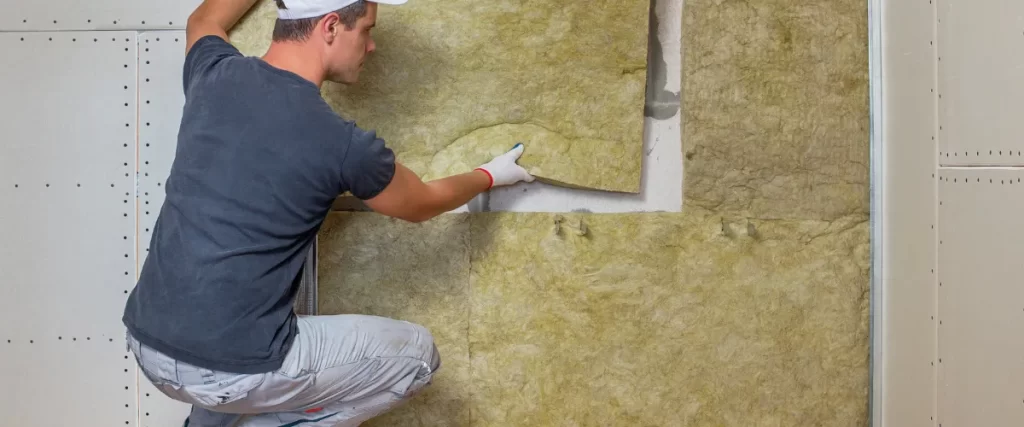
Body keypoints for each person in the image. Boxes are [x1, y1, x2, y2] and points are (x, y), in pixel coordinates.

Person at [121, 0, 533, 425]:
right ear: (331, 26)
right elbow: (421, 203)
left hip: (147, 341)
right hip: (226, 369)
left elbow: (204, 19)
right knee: (417, 356)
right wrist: (489, 175)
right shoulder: (342, 145)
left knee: (230, 351)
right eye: (367, 31)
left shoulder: (213, 74)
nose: (371, 47)